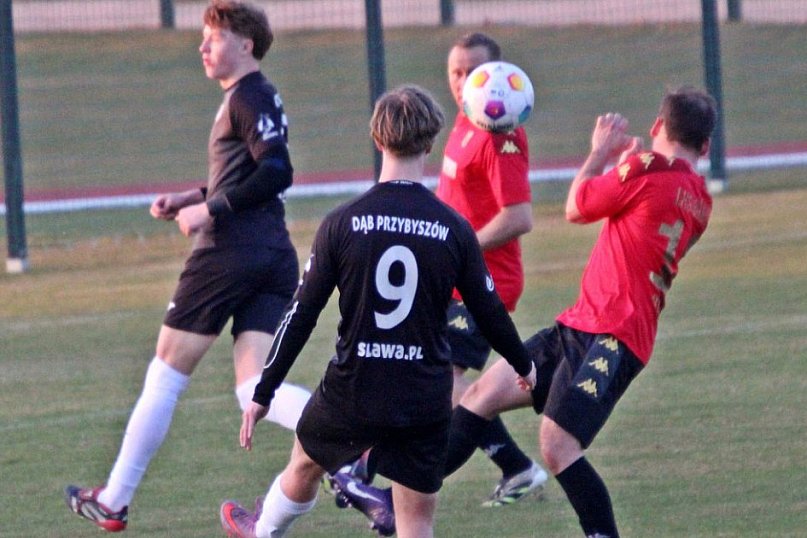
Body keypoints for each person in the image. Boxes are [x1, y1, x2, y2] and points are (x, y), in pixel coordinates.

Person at [217, 84, 537, 538]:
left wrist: (264, 390)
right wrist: (524, 365)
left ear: (376, 139)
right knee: (416, 520)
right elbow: (489, 312)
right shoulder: (455, 229)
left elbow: (301, 313)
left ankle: (263, 531)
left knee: (304, 464)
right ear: (430, 144)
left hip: (354, 387)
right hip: (423, 394)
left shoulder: (343, 222)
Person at [428, 86, 718, 537]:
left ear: (657, 126)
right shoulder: (700, 198)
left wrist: (599, 154)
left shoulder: (644, 167)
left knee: (558, 443)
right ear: (706, 146)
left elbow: (577, 206)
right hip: (581, 323)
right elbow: (648, 212)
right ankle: (400, 496)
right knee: (480, 395)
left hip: (614, 335)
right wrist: (627, 170)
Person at [64, 1, 310, 532]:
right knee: (253, 388)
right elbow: (249, 176)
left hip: (228, 253)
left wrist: (210, 210)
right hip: (272, 253)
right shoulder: (252, 95)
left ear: (245, 44)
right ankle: (351, 443)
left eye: (213, 37)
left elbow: (277, 171)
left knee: (166, 371)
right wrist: (190, 197)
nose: (202, 47)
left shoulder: (247, 95)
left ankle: (115, 498)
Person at [436, 31, 546, 506]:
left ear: (496, 75)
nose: (463, 81)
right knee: (431, 374)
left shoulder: (501, 134)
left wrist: (459, 249)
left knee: (445, 378)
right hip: (453, 276)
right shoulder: (466, 119)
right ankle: (515, 466)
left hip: (486, 280)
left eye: (473, 72)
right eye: (456, 71)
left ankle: (518, 464)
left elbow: (518, 217)